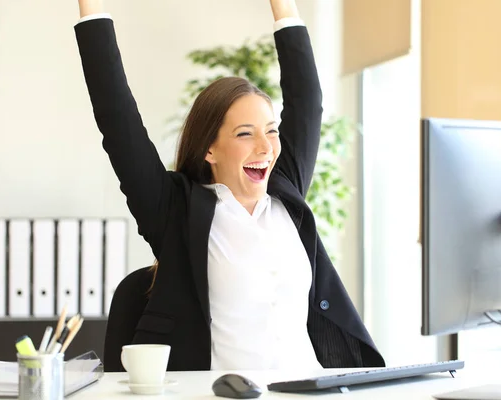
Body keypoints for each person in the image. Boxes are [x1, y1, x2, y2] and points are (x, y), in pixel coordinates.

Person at [75, 0, 385, 371]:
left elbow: (308, 103)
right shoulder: (176, 211)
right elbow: (117, 116)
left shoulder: (285, 196)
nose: (265, 147)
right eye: (244, 134)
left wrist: (283, 6)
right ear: (210, 148)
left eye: (271, 131)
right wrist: (90, 8)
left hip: (308, 390)